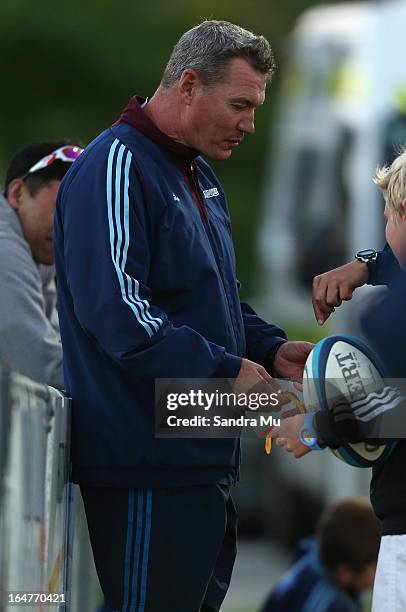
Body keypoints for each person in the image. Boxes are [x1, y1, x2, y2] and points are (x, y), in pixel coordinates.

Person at [54, 20, 313, 612]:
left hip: (203, 455)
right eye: (240, 105)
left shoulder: (198, 172)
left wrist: (271, 350)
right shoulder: (116, 164)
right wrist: (229, 372)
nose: (251, 123)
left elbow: (213, 301)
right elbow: (120, 313)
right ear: (189, 85)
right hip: (146, 462)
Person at [275, 149, 406, 611]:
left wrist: (313, 428)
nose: (384, 229)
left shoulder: (390, 318)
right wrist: (367, 264)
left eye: (388, 214)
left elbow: (394, 408)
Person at [0, 141, 82, 389]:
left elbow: (59, 342)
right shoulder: (4, 247)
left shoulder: (39, 247)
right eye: (63, 209)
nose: (73, 229)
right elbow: (38, 362)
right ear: (18, 194)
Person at [261, 498, 381, 612]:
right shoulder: (326, 605)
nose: (382, 573)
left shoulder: (318, 557)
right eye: (377, 568)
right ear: (345, 573)